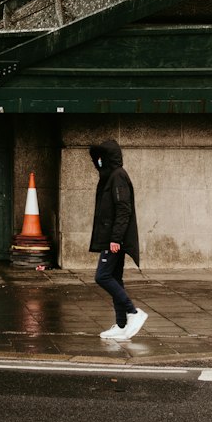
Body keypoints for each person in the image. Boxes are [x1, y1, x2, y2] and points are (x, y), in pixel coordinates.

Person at [89, 138, 148, 342]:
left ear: (109, 158)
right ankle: (122, 325)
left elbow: (123, 210)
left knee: (102, 276)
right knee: (115, 278)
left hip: (113, 240)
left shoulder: (118, 177)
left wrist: (115, 239)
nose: (99, 163)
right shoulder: (110, 177)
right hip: (112, 238)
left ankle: (133, 312)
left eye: (101, 159)